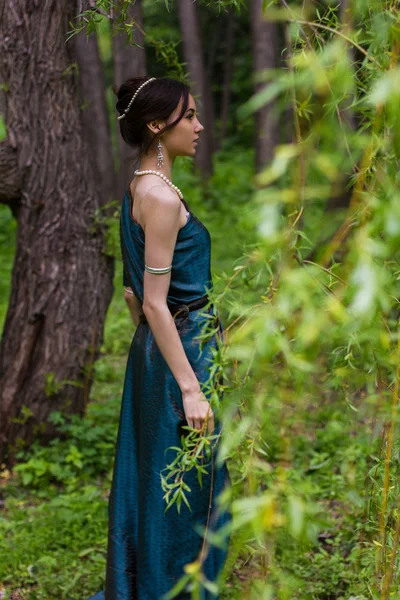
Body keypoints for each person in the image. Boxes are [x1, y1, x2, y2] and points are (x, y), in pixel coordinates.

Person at [87, 76, 232, 600]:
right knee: (188, 490)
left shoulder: (140, 185)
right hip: (182, 352)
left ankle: (144, 585)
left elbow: (134, 297)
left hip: (156, 352)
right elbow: (152, 300)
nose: (198, 126)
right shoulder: (162, 199)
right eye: (188, 116)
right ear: (156, 126)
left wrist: (151, 348)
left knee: (157, 481)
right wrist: (190, 386)